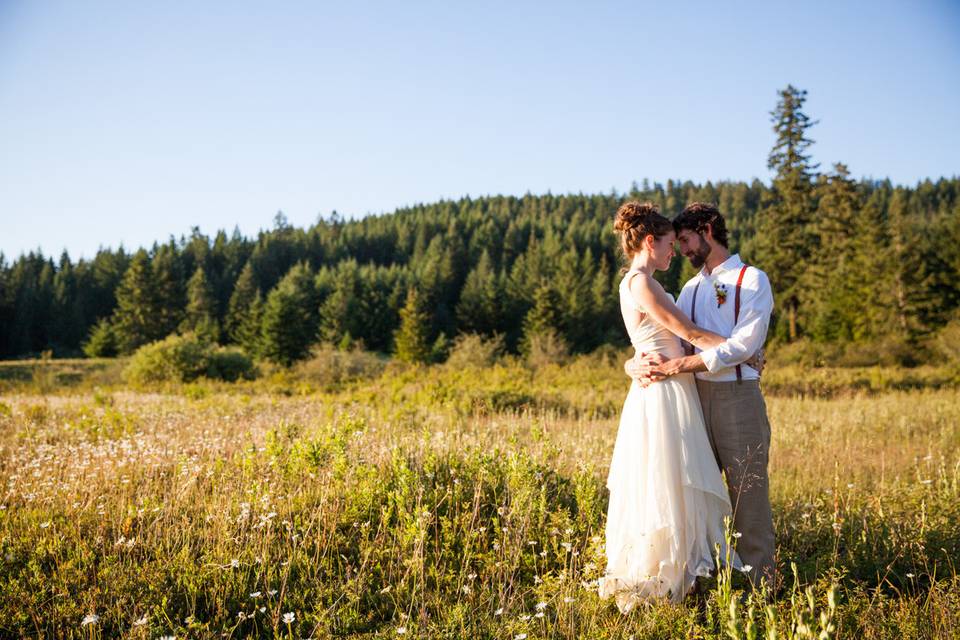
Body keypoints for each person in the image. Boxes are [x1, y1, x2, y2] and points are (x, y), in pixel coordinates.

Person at [598, 201, 742, 611]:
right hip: (664, 394)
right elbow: (688, 331)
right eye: (667, 245)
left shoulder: (640, 282)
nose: (672, 253)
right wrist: (742, 352)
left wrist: (631, 363)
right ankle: (667, 575)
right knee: (667, 480)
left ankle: (684, 574)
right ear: (649, 241)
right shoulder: (642, 282)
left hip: (670, 386)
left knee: (674, 478)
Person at [625, 201, 776, 591]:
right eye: (677, 242)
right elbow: (678, 340)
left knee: (748, 491)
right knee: (695, 491)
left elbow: (743, 344)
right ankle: (708, 579)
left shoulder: (751, 279)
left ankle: (761, 584)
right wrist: (634, 364)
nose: (683, 251)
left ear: (708, 230)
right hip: (689, 401)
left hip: (736, 397)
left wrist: (695, 363)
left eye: (688, 240)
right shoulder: (689, 288)